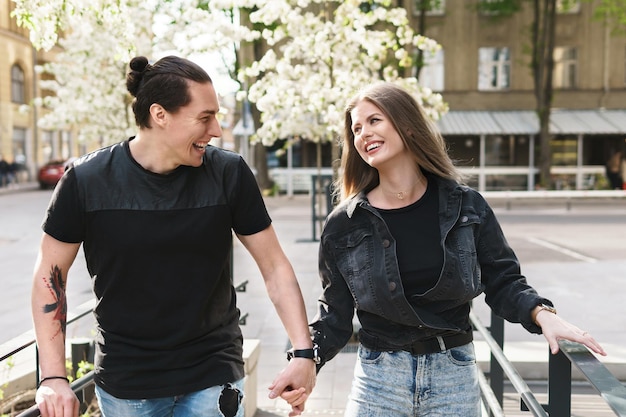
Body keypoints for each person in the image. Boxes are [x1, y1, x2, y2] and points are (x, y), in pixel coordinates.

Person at [31, 55, 315, 417]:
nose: (217, 130)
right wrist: (53, 377)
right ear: (160, 115)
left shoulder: (229, 174)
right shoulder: (86, 181)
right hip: (127, 384)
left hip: (214, 373)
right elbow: (49, 276)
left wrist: (303, 352)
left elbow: (274, 267)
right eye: (205, 117)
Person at [308, 82, 606, 416]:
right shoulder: (346, 223)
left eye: (374, 121)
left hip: (453, 377)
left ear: (406, 124)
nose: (364, 133)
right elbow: (334, 312)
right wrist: (305, 359)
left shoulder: (465, 205)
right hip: (378, 380)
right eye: (357, 128)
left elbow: (502, 280)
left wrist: (542, 315)